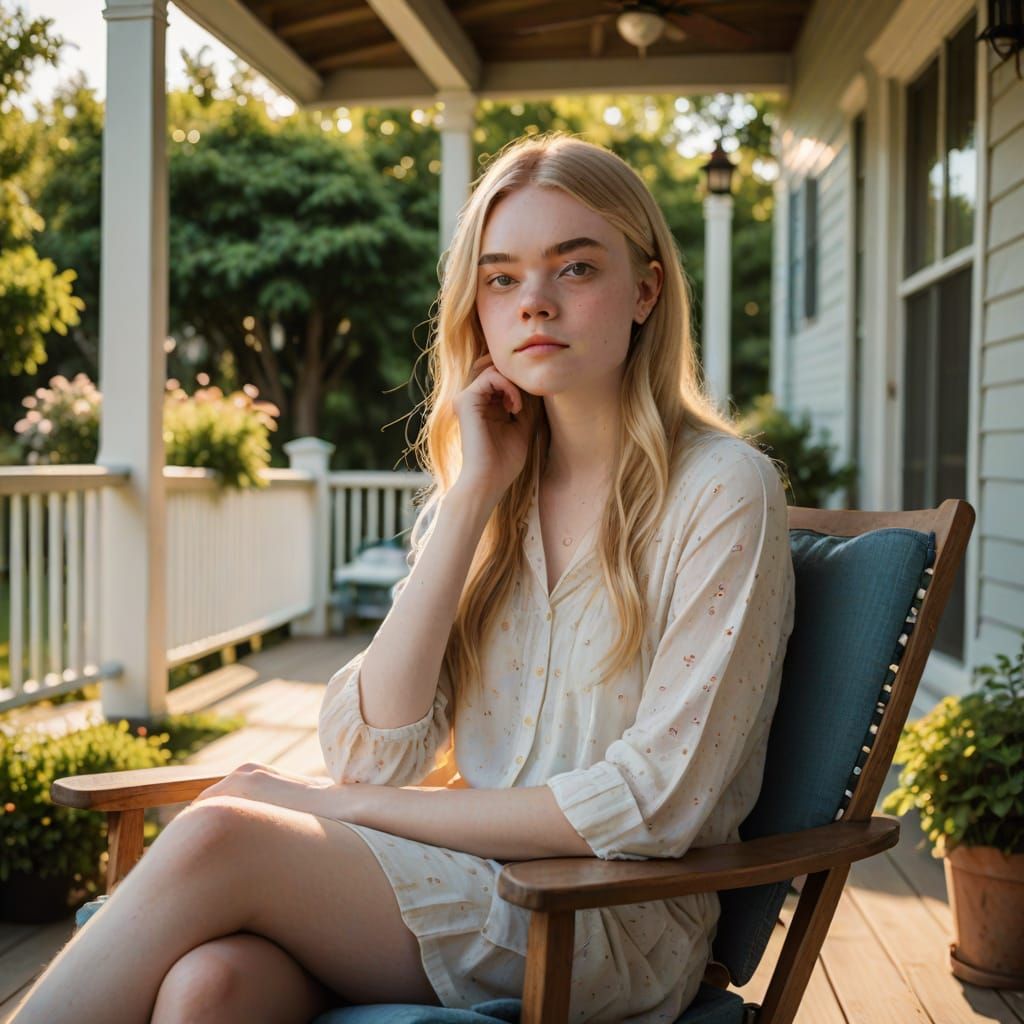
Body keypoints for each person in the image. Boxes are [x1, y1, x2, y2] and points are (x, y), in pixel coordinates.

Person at [11, 131, 795, 1024]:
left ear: (646, 289)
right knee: (210, 989)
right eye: (501, 278)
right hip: (465, 887)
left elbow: (649, 805)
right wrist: (471, 500)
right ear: (478, 307)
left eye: (574, 269)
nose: (533, 302)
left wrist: (337, 807)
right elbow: (370, 748)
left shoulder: (722, 490)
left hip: (600, 923)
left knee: (226, 831)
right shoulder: (497, 488)